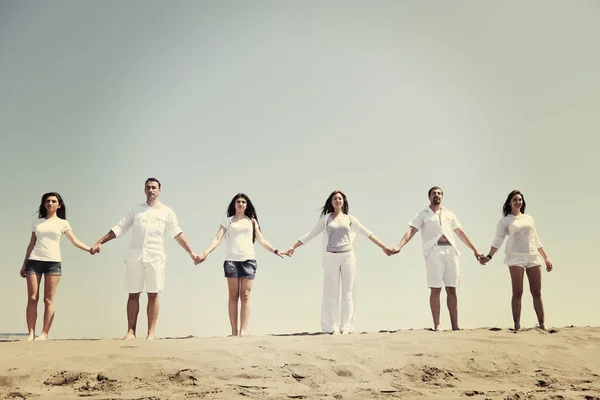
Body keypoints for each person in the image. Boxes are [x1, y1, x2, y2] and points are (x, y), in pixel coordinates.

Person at [90, 178, 200, 340]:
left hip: (155, 257)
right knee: (133, 294)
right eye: (148, 188)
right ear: (144, 190)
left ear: (159, 190)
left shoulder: (167, 212)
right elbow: (119, 228)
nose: (151, 190)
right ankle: (131, 332)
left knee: (153, 294)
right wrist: (100, 242)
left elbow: (176, 233)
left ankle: (151, 332)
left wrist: (191, 252)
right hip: (135, 257)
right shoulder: (135, 210)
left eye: (154, 188)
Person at [285, 190, 393, 335]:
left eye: (340, 198)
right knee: (331, 293)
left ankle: (346, 327)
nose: (337, 201)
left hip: (348, 257)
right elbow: (310, 234)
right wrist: (293, 247)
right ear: (331, 202)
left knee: (348, 293)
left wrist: (384, 247)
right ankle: (331, 327)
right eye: (335, 198)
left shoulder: (350, 219)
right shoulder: (326, 219)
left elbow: (367, 233)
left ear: (343, 202)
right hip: (331, 257)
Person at [390, 186, 483, 331]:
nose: (437, 195)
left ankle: (455, 325)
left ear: (442, 197)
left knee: (452, 289)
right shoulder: (423, 214)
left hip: (451, 252)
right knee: (436, 289)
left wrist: (475, 249)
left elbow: (460, 232)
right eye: (434, 193)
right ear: (429, 197)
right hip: (434, 252)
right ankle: (437, 324)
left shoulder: (449, 214)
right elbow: (411, 231)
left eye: (439, 193)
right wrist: (399, 245)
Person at [196, 193, 285, 336]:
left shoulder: (252, 221)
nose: (241, 204)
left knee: (246, 295)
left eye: (243, 202)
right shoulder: (228, 221)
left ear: (247, 205)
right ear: (234, 204)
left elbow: (261, 240)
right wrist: (205, 253)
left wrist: (275, 250)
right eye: (238, 201)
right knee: (233, 294)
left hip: (248, 260)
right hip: (231, 260)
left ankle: (243, 331)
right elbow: (217, 239)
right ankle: (234, 331)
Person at [20, 192, 93, 341]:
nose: (50, 203)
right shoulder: (37, 222)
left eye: (53, 201)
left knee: (48, 299)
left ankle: (44, 334)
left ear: (59, 205)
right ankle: (31, 333)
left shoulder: (63, 223)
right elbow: (31, 244)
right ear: (44, 204)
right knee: (32, 298)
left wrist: (89, 249)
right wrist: (24, 264)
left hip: (53, 263)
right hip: (34, 261)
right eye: (47, 201)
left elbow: (74, 241)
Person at [479, 190, 553, 331]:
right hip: (515, 257)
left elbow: (535, 238)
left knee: (536, 292)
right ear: (510, 202)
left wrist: (546, 257)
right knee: (518, 292)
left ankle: (543, 325)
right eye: (515, 200)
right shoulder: (505, 220)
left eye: (520, 199)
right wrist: (489, 256)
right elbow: (498, 239)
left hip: (532, 256)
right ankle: (517, 326)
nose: (518, 202)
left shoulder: (529, 218)